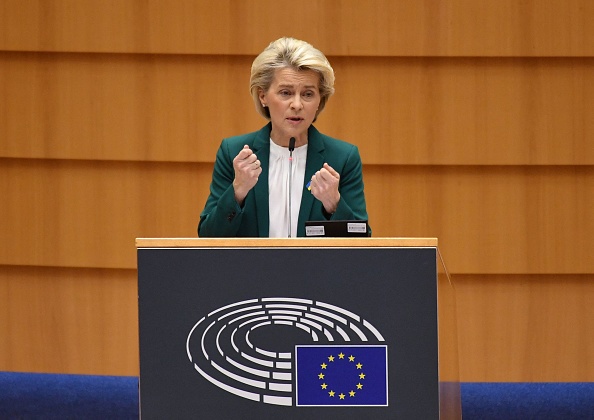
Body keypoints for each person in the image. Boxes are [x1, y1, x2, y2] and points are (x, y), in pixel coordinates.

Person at [198, 37, 369, 237]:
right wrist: (238, 190)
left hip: (316, 268)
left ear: (319, 99)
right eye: (286, 92)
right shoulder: (234, 153)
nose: (297, 105)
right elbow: (208, 237)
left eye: (307, 94)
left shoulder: (342, 158)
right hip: (251, 268)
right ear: (263, 96)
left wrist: (334, 203)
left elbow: (361, 241)